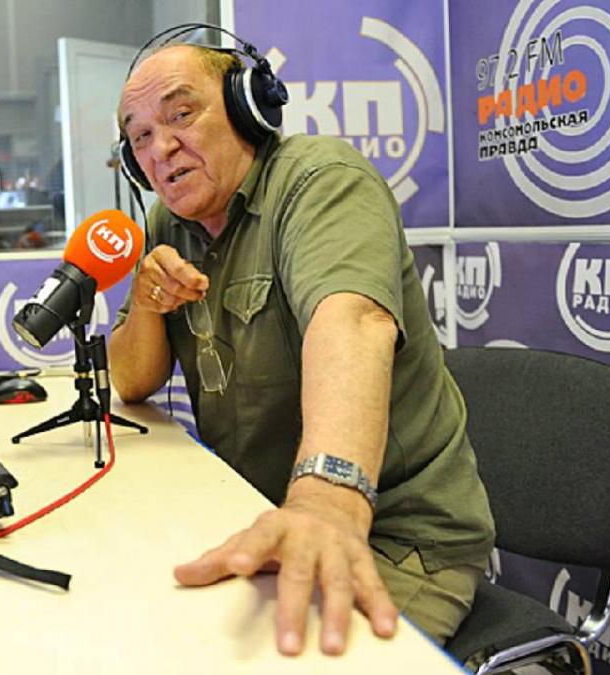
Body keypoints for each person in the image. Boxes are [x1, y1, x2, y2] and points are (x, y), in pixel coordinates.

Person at [109, 43, 496, 657]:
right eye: (141, 137)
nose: (161, 149)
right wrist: (147, 301)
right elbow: (131, 381)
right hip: (264, 513)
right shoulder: (166, 224)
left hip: (393, 537)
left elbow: (353, 321)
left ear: (247, 109)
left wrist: (326, 500)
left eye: (181, 115)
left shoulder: (322, 182)